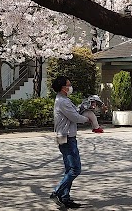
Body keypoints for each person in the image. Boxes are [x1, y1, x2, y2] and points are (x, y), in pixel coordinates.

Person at [50, 76, 90, 209]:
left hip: (64, 136)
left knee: (69, 169)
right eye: (68, 84)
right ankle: (57, 191)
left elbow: (75, 111)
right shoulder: (63, 101)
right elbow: (75, 117)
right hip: (67, 137)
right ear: (63, 88)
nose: (70, 86)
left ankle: (65, 198)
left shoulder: (63, 100)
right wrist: (88, 119)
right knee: (75, 169)